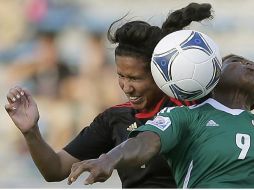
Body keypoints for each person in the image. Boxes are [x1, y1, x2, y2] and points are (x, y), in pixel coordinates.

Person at [5, 3, 213, 188]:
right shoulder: (113, 119)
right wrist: (31, 132)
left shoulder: (193, 108)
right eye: (121, 76)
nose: (126, 87)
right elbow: (55, 169)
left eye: (135, 78)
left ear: (160, 74)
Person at [66, 54, 254, 188]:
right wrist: (110, 159)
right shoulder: (186, 116)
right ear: (212, 76)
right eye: (237, 61)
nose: (249, 64)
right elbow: (145, 142)